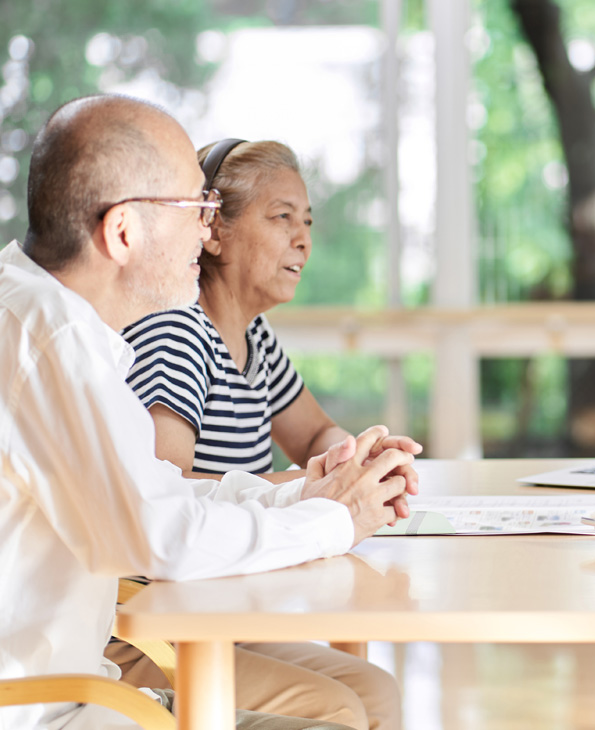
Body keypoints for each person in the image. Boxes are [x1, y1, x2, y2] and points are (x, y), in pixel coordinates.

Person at [0, 93, 419, 730]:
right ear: (123, 232)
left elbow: (159, 491)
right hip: (49, 709)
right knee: (341, 715)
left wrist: (308, 492)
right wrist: (332, 520)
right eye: (196, 206)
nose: (206, 227)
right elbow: (162, 538)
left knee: (373, 699)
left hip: (85, 685)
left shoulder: (54, 322)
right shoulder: (52, 342)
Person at [111, 139, 407, 729]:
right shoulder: (178, 334)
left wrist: (356, 458)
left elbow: (315, 431)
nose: (304, 239)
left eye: (307, 222)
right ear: (213, 230)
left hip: (218, 601)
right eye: (281, 217)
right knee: (342, 710)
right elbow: (168, 487)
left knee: (377, 694)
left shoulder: (255, 338)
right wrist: (318, 492)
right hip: (159, 619)